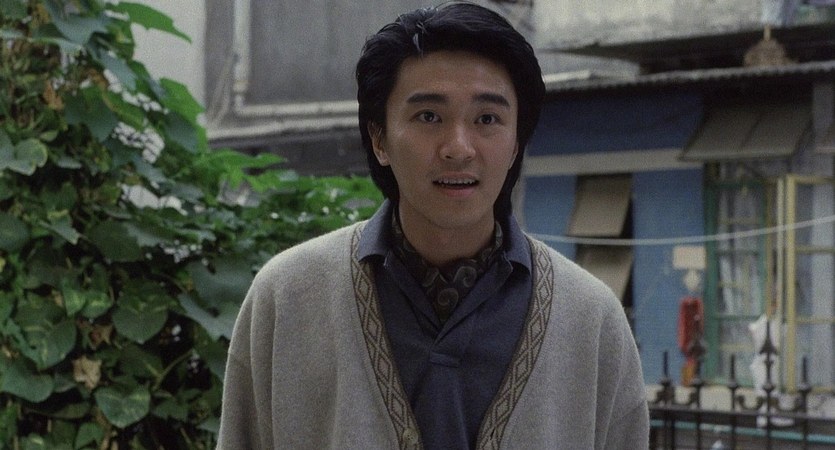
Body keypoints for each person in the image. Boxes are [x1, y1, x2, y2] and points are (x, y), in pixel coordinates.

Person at [217, 2, 649, 449]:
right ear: (379, 138)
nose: (458, 148)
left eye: (487, 119)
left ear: (516, 141)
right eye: (429, 117)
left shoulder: (591, 319)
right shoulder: (287, 297)